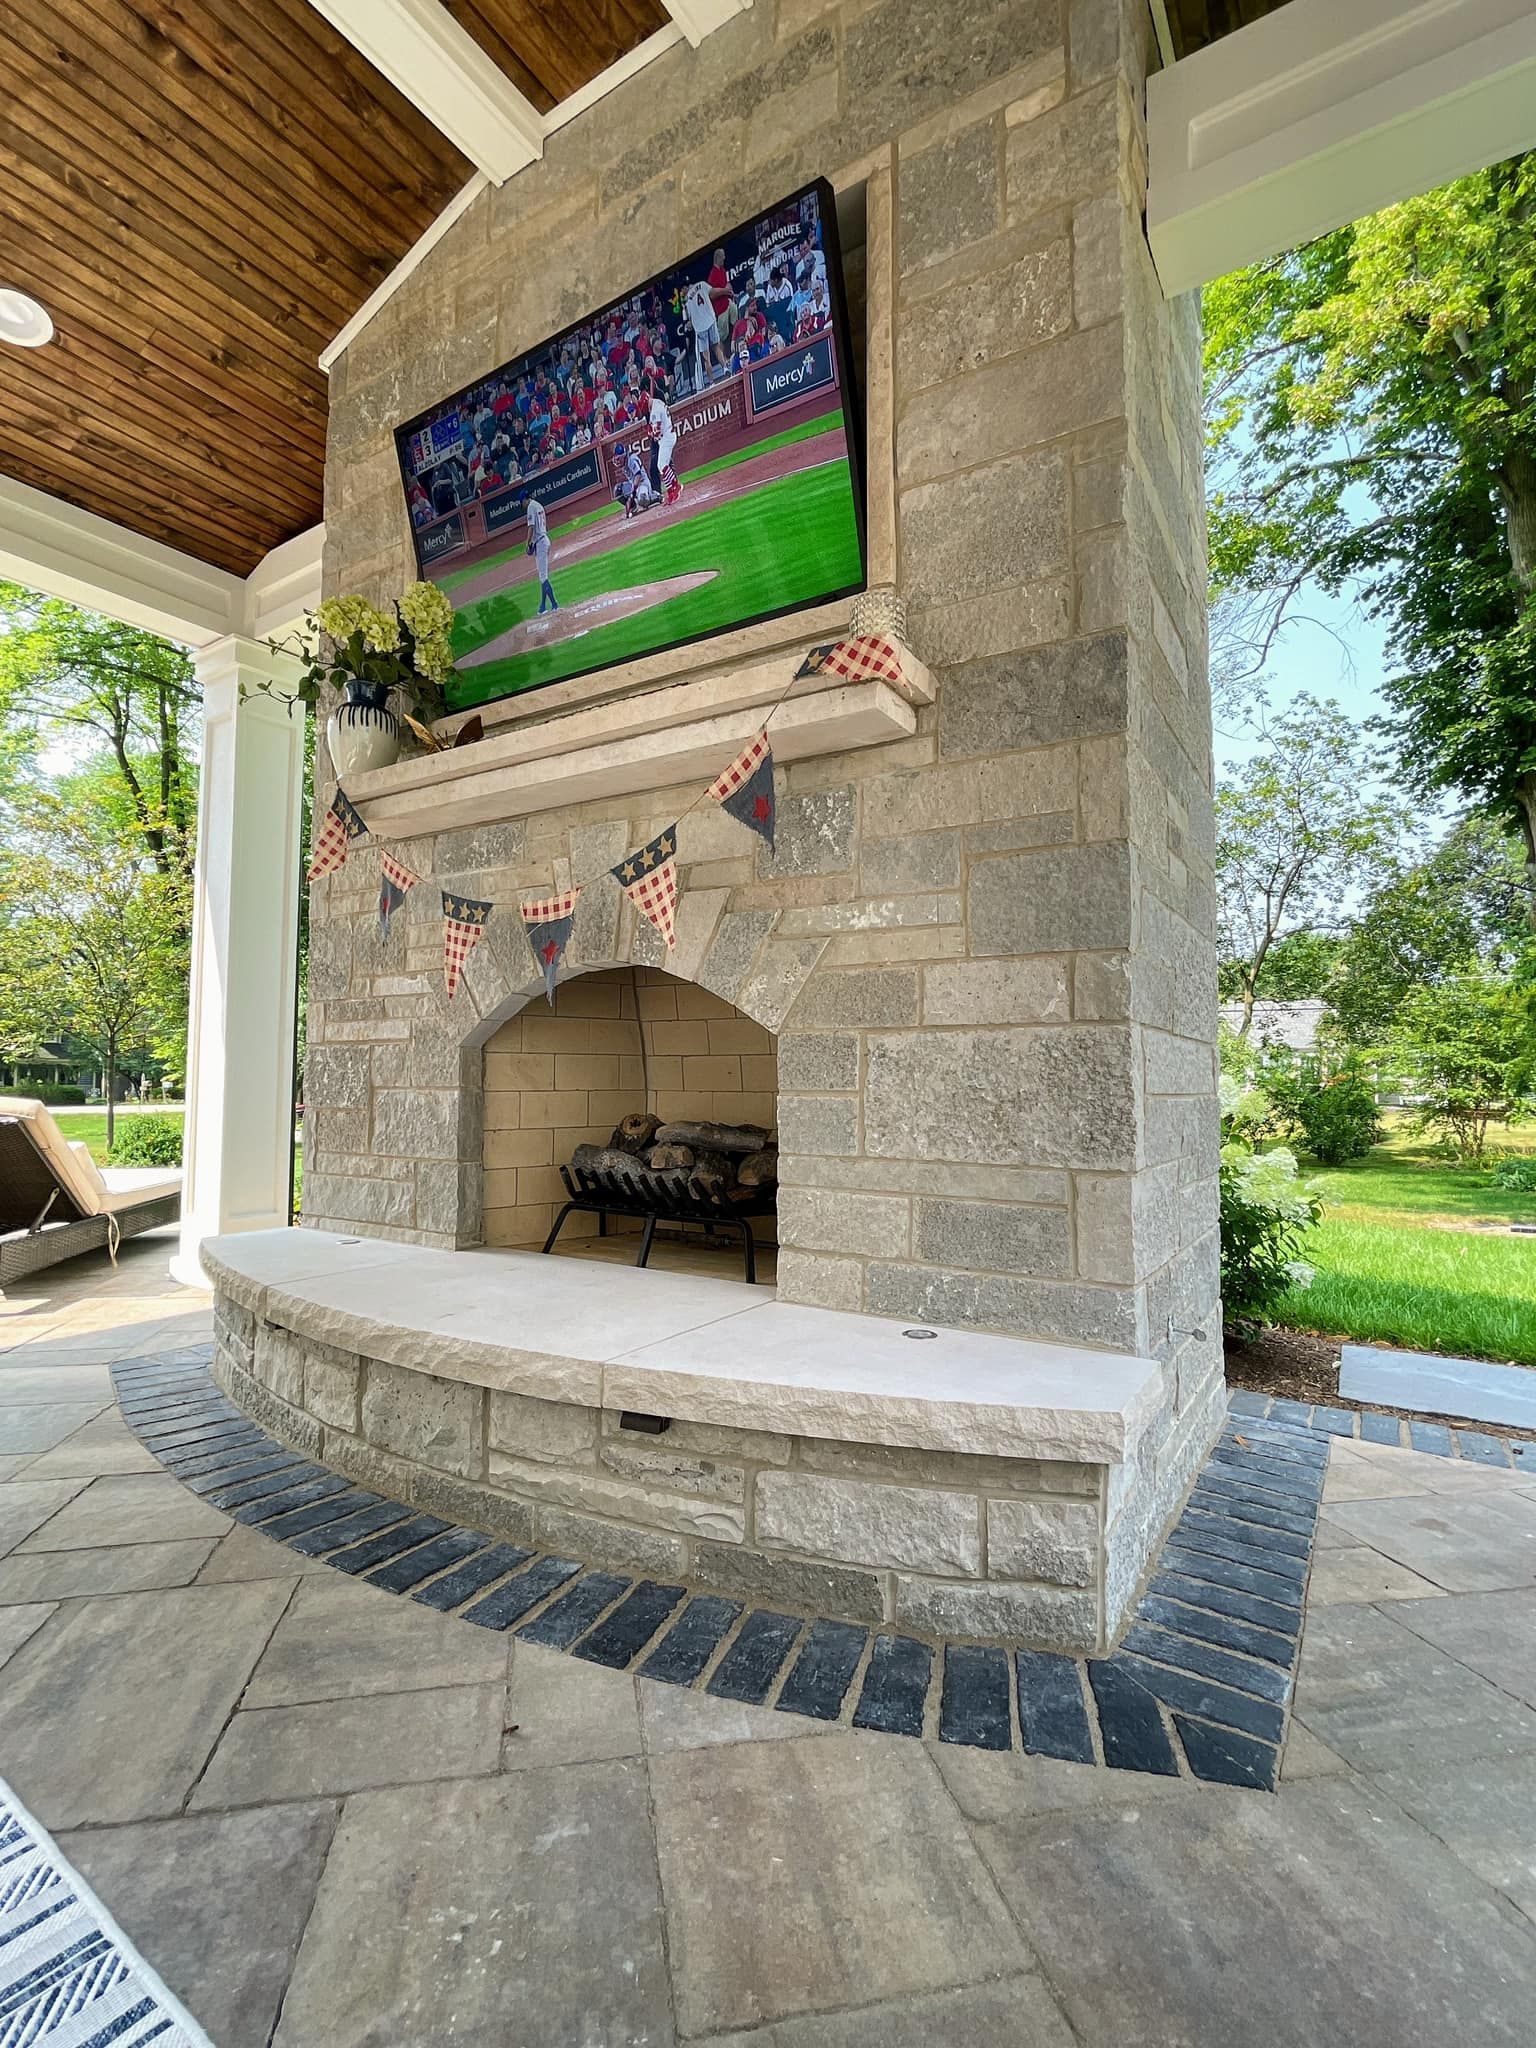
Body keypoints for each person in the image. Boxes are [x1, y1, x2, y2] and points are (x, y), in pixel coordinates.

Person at [526, 494, 558, 614]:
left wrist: (528, 543)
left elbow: (531, 527)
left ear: (525, 499)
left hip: (540, 543)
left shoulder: (530, 507)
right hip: (544, 539)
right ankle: (543, 606)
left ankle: (554, 604)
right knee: (542, 576)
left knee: (543, 577)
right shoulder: (538, 505)